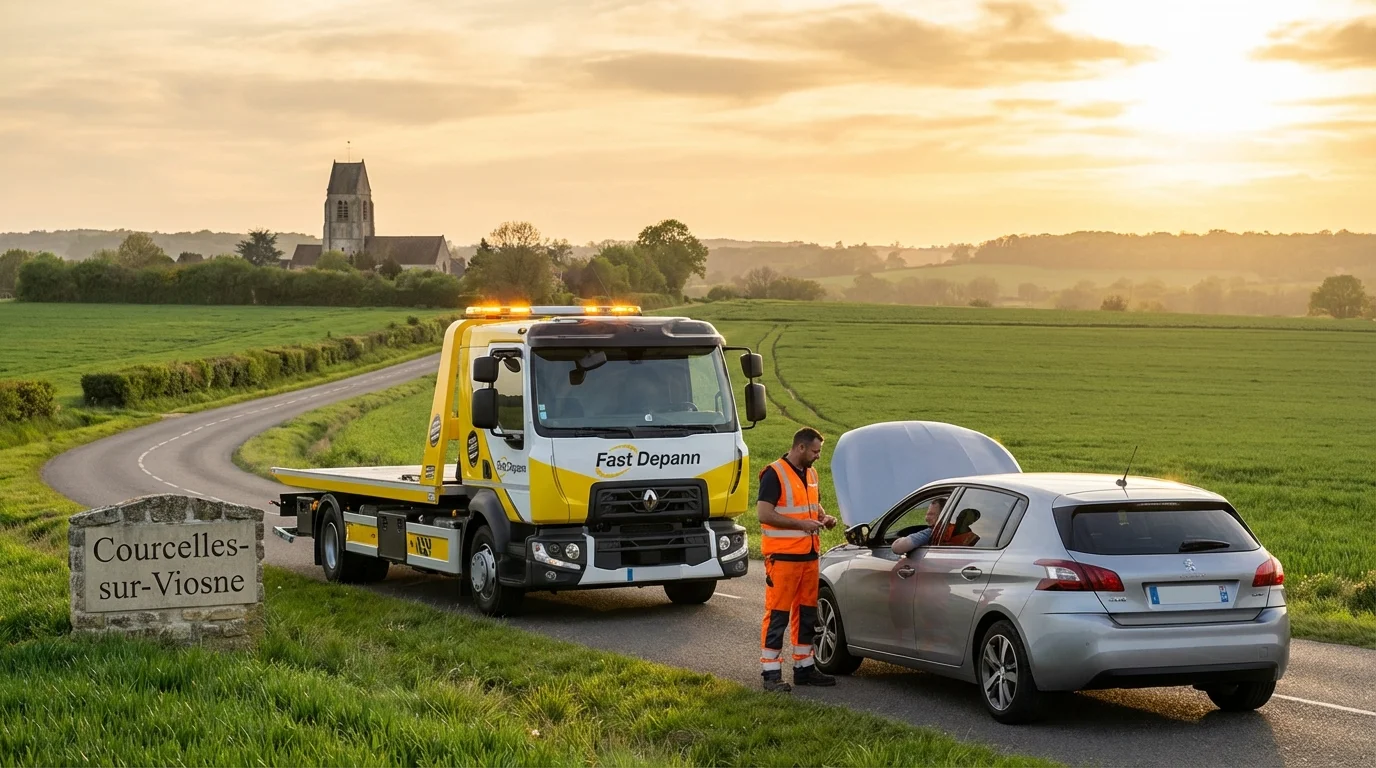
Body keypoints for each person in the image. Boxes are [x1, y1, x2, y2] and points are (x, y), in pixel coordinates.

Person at [756, 427, 839, 692]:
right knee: (778, 615)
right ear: (801, 448)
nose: (818, 456)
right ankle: (771, 674)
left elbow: (812, 505)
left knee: (807, 616)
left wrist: (824, 518)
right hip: (783, 558)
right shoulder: (774, 473)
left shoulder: (811, 473)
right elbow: (764, 514)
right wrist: (801, 525)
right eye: (815, 451)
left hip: (809, 555)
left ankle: (804, 669)